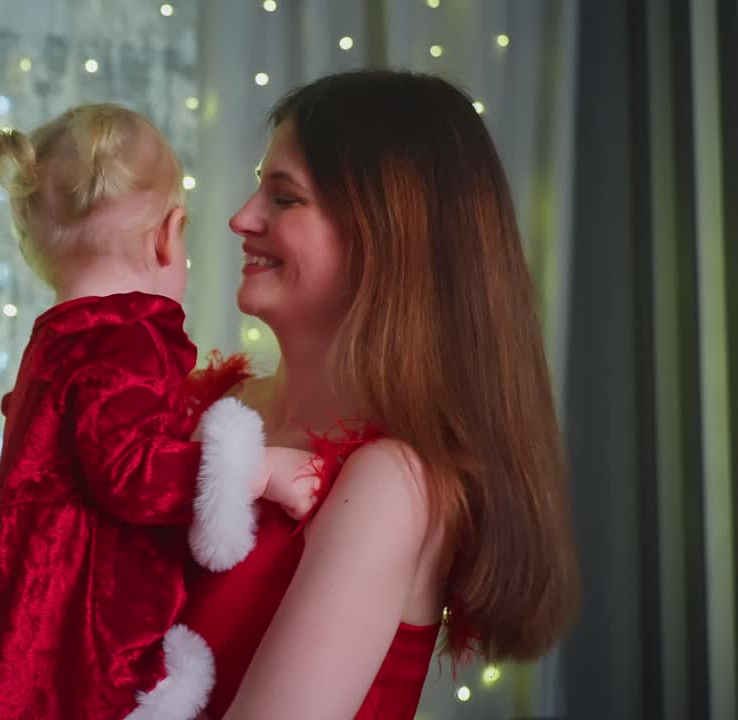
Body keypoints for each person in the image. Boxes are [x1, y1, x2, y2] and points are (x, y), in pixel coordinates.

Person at [179, 70, 582, 719]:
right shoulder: (205, 408)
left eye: (283, 198)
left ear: (383, 235)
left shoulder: (391, 482)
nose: (241, 216)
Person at [0, 103, 317, 720]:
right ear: (169, 235)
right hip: (71, 632)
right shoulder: (122, 338)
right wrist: (257, 469)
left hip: (18, 604)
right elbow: (131, 474)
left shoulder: (57, 338)